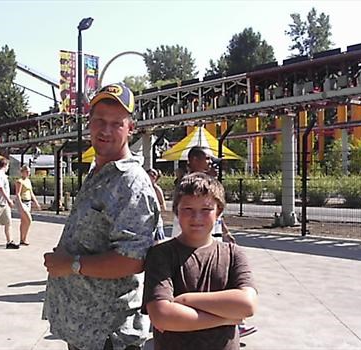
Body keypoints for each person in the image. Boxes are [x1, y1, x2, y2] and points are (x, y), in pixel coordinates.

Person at [43, 83, 161, 350]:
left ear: (131, 128)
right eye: (99, 121)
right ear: (89, 124)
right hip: (85, 329)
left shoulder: (131, 182)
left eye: (116, 123)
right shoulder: (101, 172)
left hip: (109, 334)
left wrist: (70, 265)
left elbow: (132, 260)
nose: (105, 130)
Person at [142, 172, 258, 350]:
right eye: (188, 209)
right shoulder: (161, 255)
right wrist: (226, 318)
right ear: (176, 211)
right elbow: (162, 316)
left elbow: (246, 304)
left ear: (218, 212)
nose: (196, 218)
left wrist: (186, 300)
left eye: (206, 210)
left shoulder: (233, 254)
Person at [15, 165, 41, 245]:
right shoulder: (19, 181)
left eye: (29, 172)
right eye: (26, 172)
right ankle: (24, 238)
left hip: (28, 202)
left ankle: (22, 239)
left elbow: (31, 192)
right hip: (22, 202)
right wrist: (20, 204)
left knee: (24, 221)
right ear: (22, 172)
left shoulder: (28, 181)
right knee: (29, 220)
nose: (28, 173)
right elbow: (18, 194)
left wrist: (36, 202)